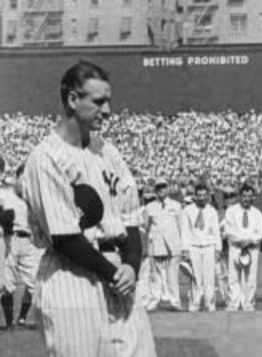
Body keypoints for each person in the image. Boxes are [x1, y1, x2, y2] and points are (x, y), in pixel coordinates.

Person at [21, 61, 156, 356]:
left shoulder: (107, 151)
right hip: (73, 278)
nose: (107, 110)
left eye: (108, 101)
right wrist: (114, 273)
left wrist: (131, 266)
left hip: (119, 272)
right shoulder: (46, 158)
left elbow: (131, 217)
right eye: (98, 101)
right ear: (72, 99)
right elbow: (64, 237)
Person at [0, 163, 44, 330]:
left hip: (30, 241)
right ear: (18, 176)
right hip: (10, 239)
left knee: (35, 282)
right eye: (24, 176)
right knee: (7, 283)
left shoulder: (34, 196)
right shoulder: (5, 192)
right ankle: (10, 322)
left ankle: (23, 318)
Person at [144, 177, 184, 311]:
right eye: (158, 188)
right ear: (155, 190)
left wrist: (182, 247)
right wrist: (147, 244)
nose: (161, 190)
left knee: (172, 275)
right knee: (155, 275)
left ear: (168, 189)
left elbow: (181, 227)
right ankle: (154, 300)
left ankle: (175, 302)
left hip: (173, 244)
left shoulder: (176, 206)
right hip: (156, 244)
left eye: (163, 187)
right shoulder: (149, 207)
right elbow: (146, 227)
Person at [182, 182, 221, 312]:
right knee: (195, 278)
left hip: (209, 246)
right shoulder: (188, 210)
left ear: (208, 196)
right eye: (199, 195)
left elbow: (216, 231)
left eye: (204, 195)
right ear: (195, 196)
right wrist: (185, 249)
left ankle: (210, 304)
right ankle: (195, 304)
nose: (202, 198)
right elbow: (185, 231)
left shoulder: (212, 211)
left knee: (209, 278)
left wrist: (218, 248)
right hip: (193, 246)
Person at [225, 183, 262, 311]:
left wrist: (250, 241)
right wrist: (241, 241)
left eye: (250, 196)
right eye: (244, 196)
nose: (247, 199)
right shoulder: (231, 211)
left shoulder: (257, 213)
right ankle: (234, 303)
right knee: (233, 276)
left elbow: (261, 233)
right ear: (240, 196)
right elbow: (229, 230)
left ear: (253, 198)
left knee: (251, 277)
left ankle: (248, 303)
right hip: (236, 247)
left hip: (252, 248)